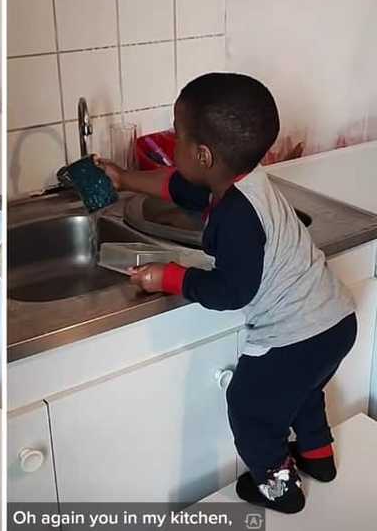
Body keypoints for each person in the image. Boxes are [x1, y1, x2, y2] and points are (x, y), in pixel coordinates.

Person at [98, 72, 356, 514]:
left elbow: (232, 291)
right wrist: (123, 178)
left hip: (294, 334)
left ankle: (281, 489)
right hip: (334, 320)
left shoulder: (237, 216)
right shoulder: (240, 182)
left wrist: (170, 277)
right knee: (303, 391)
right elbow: (175, 186)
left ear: (203, 154)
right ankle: (318, 457)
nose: (171, 146)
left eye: (177, 136)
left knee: (251, 408)